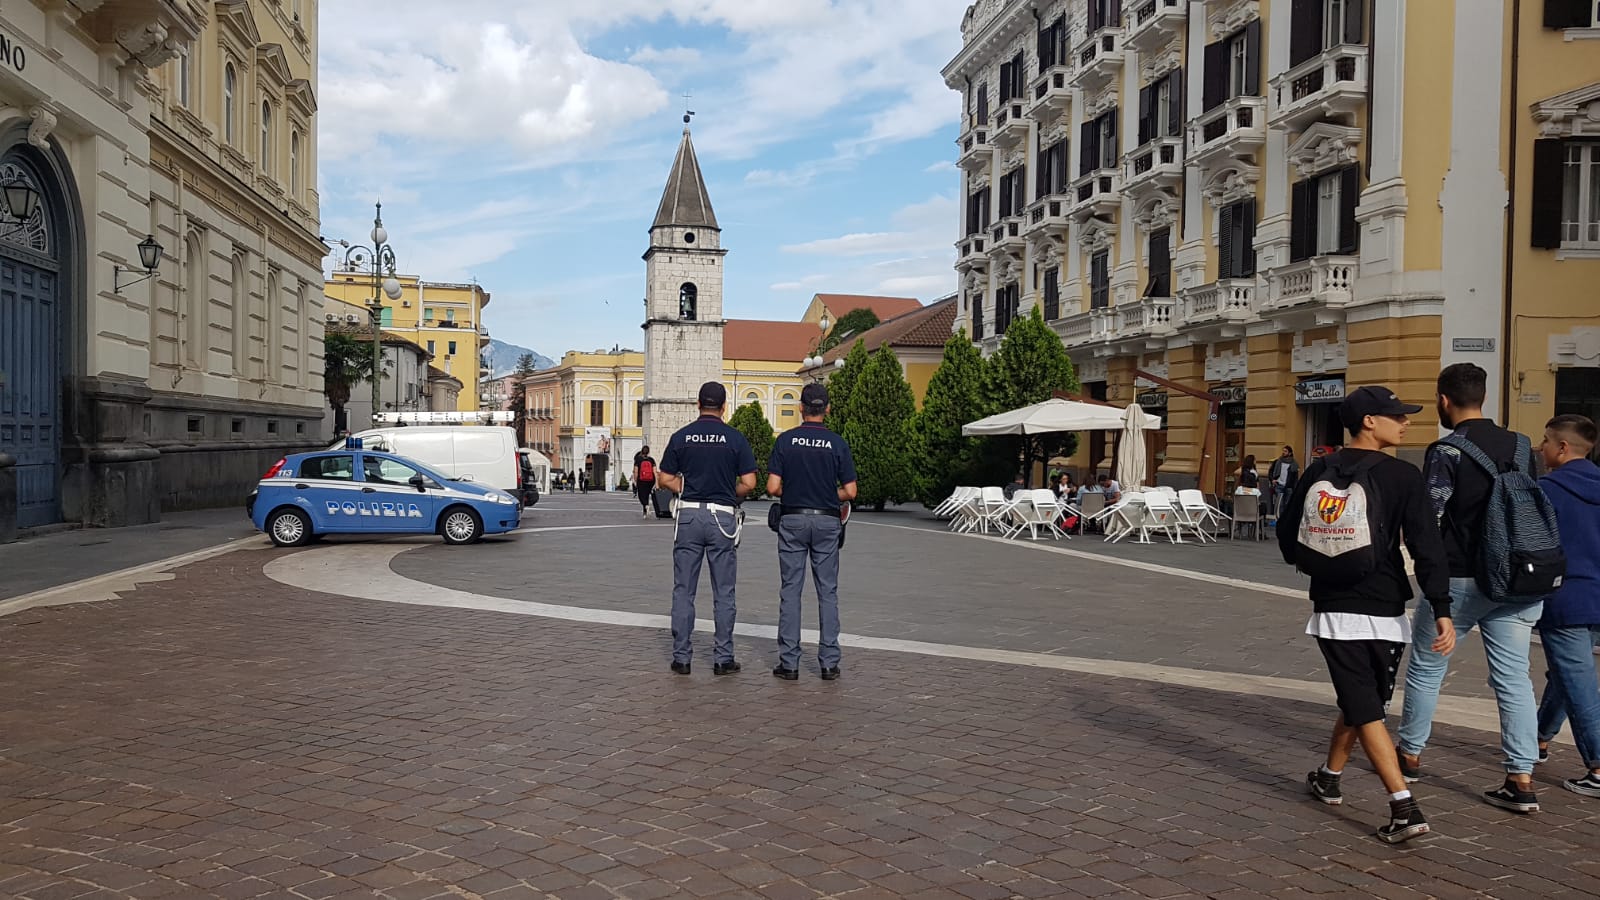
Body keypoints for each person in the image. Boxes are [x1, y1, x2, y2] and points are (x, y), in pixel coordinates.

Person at [1279, 385, 1454, 844]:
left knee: (1363, 703)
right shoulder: (1403, 476)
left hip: (1336, 605)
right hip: (1387, 604)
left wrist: (1318, 560)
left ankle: (1330, 775)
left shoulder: (1318, 469)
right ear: (1369, 422)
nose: (1407, 422)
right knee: (1366, 702)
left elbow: (1286, 534)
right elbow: (1427, 547)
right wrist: (1441, 607)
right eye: (1397, 415)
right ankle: (1404, 805)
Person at [1398, 363, 1544, 813]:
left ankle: (1410, 754)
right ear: (1484, 396)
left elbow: (1432, 519)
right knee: (1514, 677)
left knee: (1427, 666)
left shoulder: (1446, 450)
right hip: (1517, 577)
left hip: (1460, 577)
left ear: (1444, 400)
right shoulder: (1521, 445)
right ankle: (1520, 777)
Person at [655, 382, 758, 677]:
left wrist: (685, 488)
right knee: (724, 591)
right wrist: (729, 492)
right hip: (721, 517)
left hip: (688, 516)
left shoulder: (682, 436)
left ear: (698, 404)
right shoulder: (735, 439)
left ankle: (682, 658)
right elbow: (750, 482)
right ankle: (723, 658)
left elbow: (664, 478)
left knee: (683, 589)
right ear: (724, 407)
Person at [767, 383, 858, 682]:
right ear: (828, 409)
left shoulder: (786, 441)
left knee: (791, 590)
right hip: (827, 520)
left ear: (801, 408)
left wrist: (792, 490)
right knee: (827, 591)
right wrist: (828, 495)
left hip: (793, 518)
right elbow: (851, 491)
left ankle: (790, 663)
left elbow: (772, 488)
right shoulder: (837, 443)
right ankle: (829, 662)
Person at [1531, 415, 1600, 797]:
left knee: (1579, 682)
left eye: (1545, 441)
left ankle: (1597, 765)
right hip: (1596, 594)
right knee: (1567, 674)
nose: (1541, 448)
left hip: (1566, 597)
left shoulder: (1547, 490)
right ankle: (1538, 739)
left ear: (1562, 448)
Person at [1268, 445, 1299, 519]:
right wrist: (1272, 479)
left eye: (1285, 451)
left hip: (1289, 486)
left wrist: (1294, 488)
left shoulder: (1294, 464)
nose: (1283, 452)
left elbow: (1295, 477)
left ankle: (1285, 520)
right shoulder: (1278, 461)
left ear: (1290, 453)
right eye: (1283, 451)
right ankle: (1278, 518)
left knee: (1287, 504)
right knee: (1279, 504)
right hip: (1279, 485)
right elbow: (1271, 471)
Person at [633, 445, 657, 518]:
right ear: (648, 451)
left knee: (641, 496)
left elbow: (636, 471)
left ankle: (646, 506)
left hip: (641, 480)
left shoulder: (638, 459)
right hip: (651, 480)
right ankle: (645, 513)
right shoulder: (651, 460)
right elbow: (655, 472)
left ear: (642, 451)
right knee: (646, 495)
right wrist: (656, 482)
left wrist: (635, 480)